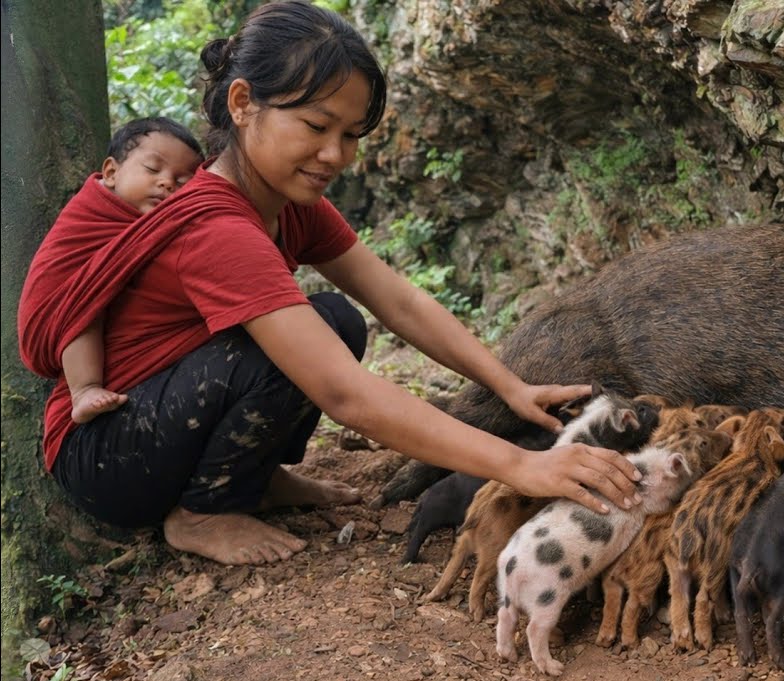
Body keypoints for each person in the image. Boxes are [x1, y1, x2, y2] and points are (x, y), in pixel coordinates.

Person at [17, 0, 639, 567]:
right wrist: (524, 465)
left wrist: (510, 387)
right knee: (284, 351)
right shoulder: (216, 228)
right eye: (316, 126)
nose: (335, 154)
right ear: (242, 104)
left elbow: (396, 298)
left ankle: (250, 481)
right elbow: (344, 395)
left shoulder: (289, 200)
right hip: (105, 453)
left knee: (336, 317)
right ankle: (201, 512)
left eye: (350, 135)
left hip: (164, 417)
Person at [53, 117, 205, 425]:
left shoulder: (152, 226)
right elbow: (69, 284)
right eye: (153, 169)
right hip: (71, 301)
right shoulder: (94, 212)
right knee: (84, 308)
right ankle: (84, 389)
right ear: (111, 172)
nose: (167, 183)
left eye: (182, 181)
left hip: (144, 357)